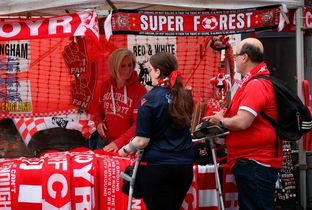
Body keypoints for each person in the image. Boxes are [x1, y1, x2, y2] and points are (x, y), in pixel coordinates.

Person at [203, 38, 282, 210]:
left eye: (237, 56)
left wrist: (221, 120)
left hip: (255, 162)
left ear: (245, 57)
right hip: (253, 161)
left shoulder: (256, 85)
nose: (235, 60)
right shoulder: (253, 82)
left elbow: (242, 122)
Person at [118, 52, 193, 210]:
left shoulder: (149, 99)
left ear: (158, 72)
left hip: (158, 167)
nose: (149, 73)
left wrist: (124, 150)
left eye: (151, 69)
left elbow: (141, 140)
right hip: (184, 167)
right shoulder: (186, 96)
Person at [89, 48, 147, 152]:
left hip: (127, 146)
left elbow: (139, 124)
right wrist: (98, 122)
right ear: (114, 67)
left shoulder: (140, 90)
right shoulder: (105, 86)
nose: (128, 70)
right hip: (104, 142)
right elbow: (98, 111)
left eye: (130, 65)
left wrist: (119, 142)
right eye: (123, 66)